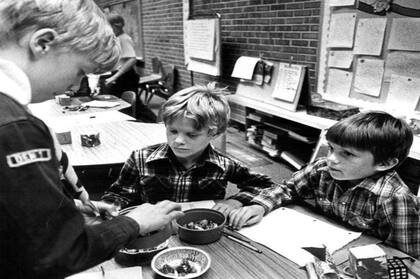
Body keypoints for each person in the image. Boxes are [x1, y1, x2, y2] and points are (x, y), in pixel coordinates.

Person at [0, 1, 183, 278]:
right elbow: (57, 254)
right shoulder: (16, 127)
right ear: (43, 43)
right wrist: (133, 222)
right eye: (80, 71)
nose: (74, 86)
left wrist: (67, 207)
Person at [228, 111, 420, 258]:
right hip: (319, 245)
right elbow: (288, 188)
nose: (331, 159)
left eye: (347, 153)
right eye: (331, 149)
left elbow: (406, 255)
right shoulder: (322, 169)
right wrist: (259, 205)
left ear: (385, 163)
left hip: (353, 258)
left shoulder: (396, 198)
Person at [101, 83, 277, 220]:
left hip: (201, 232)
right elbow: (120, 194)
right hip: (155, 232)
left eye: (191, 134)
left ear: (213, 133)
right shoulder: (140, 158)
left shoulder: (224, 165)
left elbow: (266, 185)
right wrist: (110, 208)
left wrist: (236, 200)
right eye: (173, 131)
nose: (178, 141)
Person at [102, 13, 156, 122]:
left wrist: (115, 77)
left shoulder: (124, 39)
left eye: (109, 27)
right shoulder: (117, 39)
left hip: (125, 76)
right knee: (120, 102)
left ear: (117, 26)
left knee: (132, 102)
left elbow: (132, 60)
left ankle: (154, 120)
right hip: (120, 75)